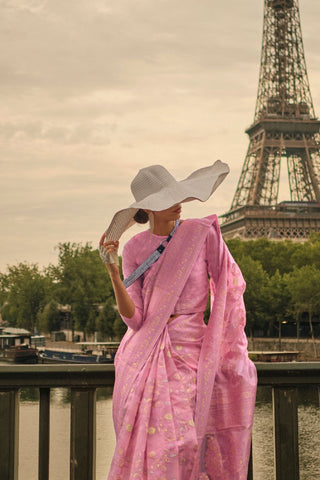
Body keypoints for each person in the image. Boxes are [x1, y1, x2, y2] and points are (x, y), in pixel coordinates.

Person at [99, 161, 257, 480]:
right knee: (162, 446)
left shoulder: (202, 235)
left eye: (177, 197)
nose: (177, 205)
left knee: (185, 442)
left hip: (194, 349)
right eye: (167, 199)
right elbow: (137, 319)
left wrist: (227, 344)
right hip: (147, 352)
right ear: (150, 208)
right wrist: (114, 274)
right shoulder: (133, 248)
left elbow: (228, 283)